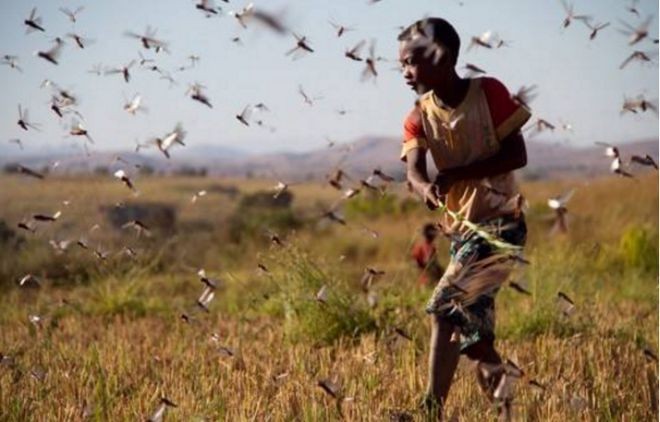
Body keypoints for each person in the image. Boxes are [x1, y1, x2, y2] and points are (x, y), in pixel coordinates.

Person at [397, 17, 531, 419]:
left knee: (444, 311)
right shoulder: (418, 116)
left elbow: (517, 155)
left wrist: (457, 174)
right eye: (401, 65)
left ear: (444, 57)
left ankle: (429, 410)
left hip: (501, 224)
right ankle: (505, 405)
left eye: (412, 62)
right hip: (462, 232)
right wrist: (427, 189)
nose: (406, 72)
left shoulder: (488, 92)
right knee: (472, 337)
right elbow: (413, 172)